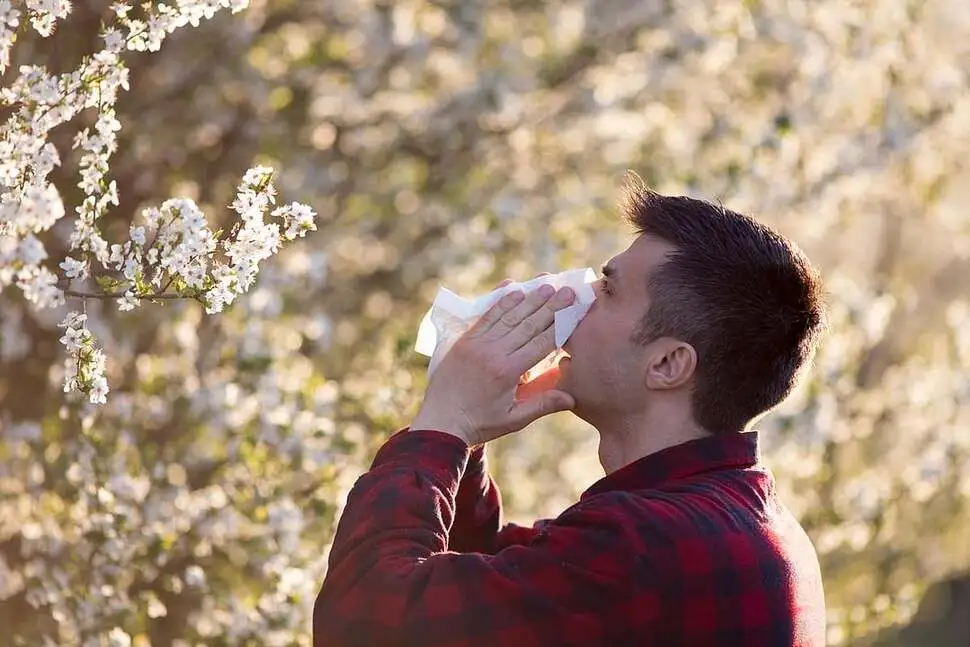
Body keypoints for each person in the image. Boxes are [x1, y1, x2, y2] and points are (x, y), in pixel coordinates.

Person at [313, 176, 829, 646]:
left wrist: (442, 425)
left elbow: (360, 620)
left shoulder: (638, 544)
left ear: (668, 363)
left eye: (606, 290)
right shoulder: (743, 518)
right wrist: (466, 437)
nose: (572, 299)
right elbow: (499, 582)